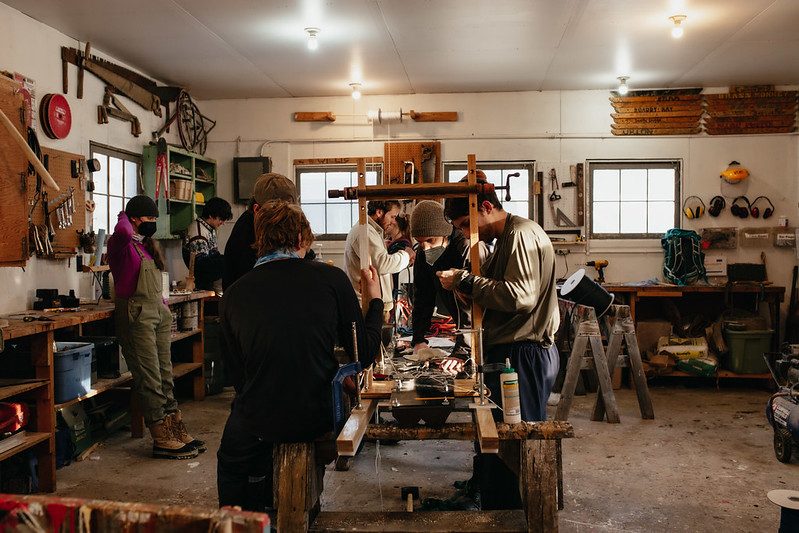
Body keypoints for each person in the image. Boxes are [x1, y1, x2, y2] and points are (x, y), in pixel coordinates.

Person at [217, 201, 384, 513]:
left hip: (258, 420)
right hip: (315, 417)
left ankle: (237, 514)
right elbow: (363, 355)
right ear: (298, 240)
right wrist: (375, 301)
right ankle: (300, 504)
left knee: (232, 460)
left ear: (261, 241)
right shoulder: (331, 279)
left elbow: (238, 377)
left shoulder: (233, 296)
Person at [438, 175, 560, 509]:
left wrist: (466, 280)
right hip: (512, 352)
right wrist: (465, 290)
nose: (465, 234)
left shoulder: (519, 234)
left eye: (466, 225)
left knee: (518, 444)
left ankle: (519, 515)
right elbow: (490, 290)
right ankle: (497, 505)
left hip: (523, 354)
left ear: (487, 207)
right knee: (500, 440)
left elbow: (521, 296)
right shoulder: (504, 240)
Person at [107, 195, 205, 460]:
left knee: (165, 375)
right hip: (136, 316)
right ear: (136, 219)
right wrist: (123, 215)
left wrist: (163, 305)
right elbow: (122, 231)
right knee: (149, 378)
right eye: (149, 219)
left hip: (157, 313)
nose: (153, 223)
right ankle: (161, 436)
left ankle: (175, 428)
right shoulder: (121, 245)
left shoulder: (145, 247)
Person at [409, 200, 474, 365]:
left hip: (481, 332)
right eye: (420, 241)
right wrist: (418, 339)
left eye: (430, 240)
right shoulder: (423, 253)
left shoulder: (465, 247)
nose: (426, 248)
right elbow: (423, 297)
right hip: (460, 328)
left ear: (445, 233)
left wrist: (462, 352)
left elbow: (471, 305)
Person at [221, 173, 297, 291]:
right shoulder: (246, 234)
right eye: (277, 213)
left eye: (289, 212)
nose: (284, 219)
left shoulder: (282, 225)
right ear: (257, 209)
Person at [344, 200, 415, 321]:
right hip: (369, 305)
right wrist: (406, 255)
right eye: (392, 216)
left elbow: (377, 260)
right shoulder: (365, 232)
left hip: (373, 303)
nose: (393, 221)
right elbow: (382, 264)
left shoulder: (370, 231)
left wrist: (381, 247)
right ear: (379, 212)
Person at [182, 197, 233, 291]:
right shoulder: (198, 232)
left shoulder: (209, 228)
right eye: (221, 219)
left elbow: (215, 257)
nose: (223, 223)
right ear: (211, 215)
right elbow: (202, 266)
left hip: (211, 279)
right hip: (204, 283)